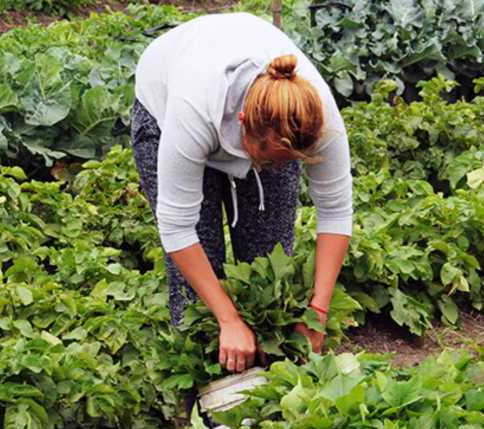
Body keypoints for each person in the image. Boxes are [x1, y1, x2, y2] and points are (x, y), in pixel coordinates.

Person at [131, 12, 353, 374]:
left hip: (262, 122)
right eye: (270, 158)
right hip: (165, 103)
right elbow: (177, 229)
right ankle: (207, 398)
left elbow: (336, 212)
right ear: (244, 124)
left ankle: (268, 386)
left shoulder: (316, 117)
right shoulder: (193, 109)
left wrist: (318, 311)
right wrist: (228, 319)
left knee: (270, 270)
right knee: (198, 290)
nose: (276, 168)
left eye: (288, 161)